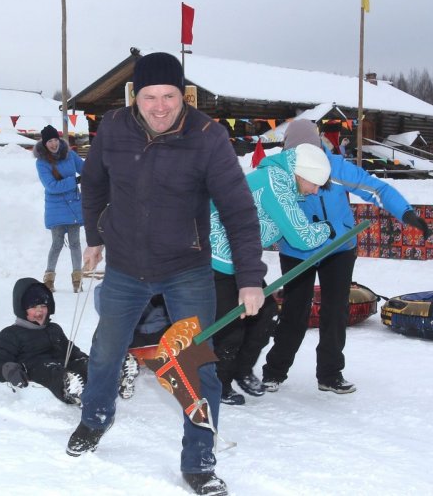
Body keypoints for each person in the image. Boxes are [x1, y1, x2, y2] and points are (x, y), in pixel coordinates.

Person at [66, 51, 265, 496]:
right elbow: (94, 183)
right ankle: (95, 418)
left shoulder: (208, 137)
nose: (160, 107)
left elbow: (238, 210)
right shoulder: (113, 128)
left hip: (185, 269)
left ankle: (198, 461)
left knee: (196, 366)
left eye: (169, 96)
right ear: (135, 97)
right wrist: (94, 237)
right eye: (150, 97)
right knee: (106, 351)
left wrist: (250, 277)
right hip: (125, 265)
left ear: (184, 95)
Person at [261, 119, 431, 395]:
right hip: (297, 249)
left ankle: (330, 374)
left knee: (335, 311)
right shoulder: (280, 173)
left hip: (338, 248)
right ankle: (274, 372)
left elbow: (377, 189)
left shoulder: (335, 168)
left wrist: (406, 212)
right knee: (294, 311)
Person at [209, 143, 333, 405]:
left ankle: (242, 370)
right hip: (218, 258)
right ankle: (218, 384)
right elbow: (301, 237)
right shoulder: (275, 182)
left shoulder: (283, 181)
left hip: (241, 261)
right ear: (302, 174)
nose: (315, 191)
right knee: (232, 325)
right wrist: (326, 230)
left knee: (264, 315)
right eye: (315, 184)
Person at [0, 278, 90, 404]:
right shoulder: (11, 334)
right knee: (49, 370)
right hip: (38, 372)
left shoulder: (54, 329)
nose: (39, 310)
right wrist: (10, 371)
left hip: (64, 367)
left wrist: (86, 360)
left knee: (85, 365)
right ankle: (72, 391)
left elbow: (71, 351)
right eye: (33, 307)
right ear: (22, 309)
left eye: (43, 306)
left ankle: (106, 384)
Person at [35, 125, 85, 293]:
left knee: (75, 243)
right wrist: (74, 181)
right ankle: (49, 278)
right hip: (55, 208)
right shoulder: (41, 162)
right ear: (44, 143)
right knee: (57, 243)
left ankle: (77, 278)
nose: (54, 144)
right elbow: (51, 186)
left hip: (73, 205)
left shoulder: (70, 155)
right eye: (50, 141)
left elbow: (85, 169)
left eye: (55, 140)